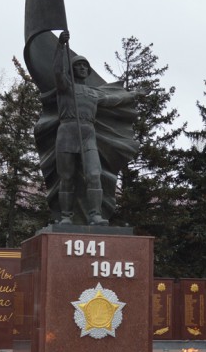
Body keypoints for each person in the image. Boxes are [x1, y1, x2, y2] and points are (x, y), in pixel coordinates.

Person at [53, 30, 142, 225]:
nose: (82, 68)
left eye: (85, 66)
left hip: (88, 134)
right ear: (72, 69)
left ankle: (95, 215)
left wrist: (134, 94)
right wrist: (60, 46)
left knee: (94, 174)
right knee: (66, 177)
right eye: (78, 65)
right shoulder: (66, 88)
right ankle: (66, 217)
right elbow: (58, 72)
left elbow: (113, 99)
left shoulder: (94, 93)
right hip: (67, 133)